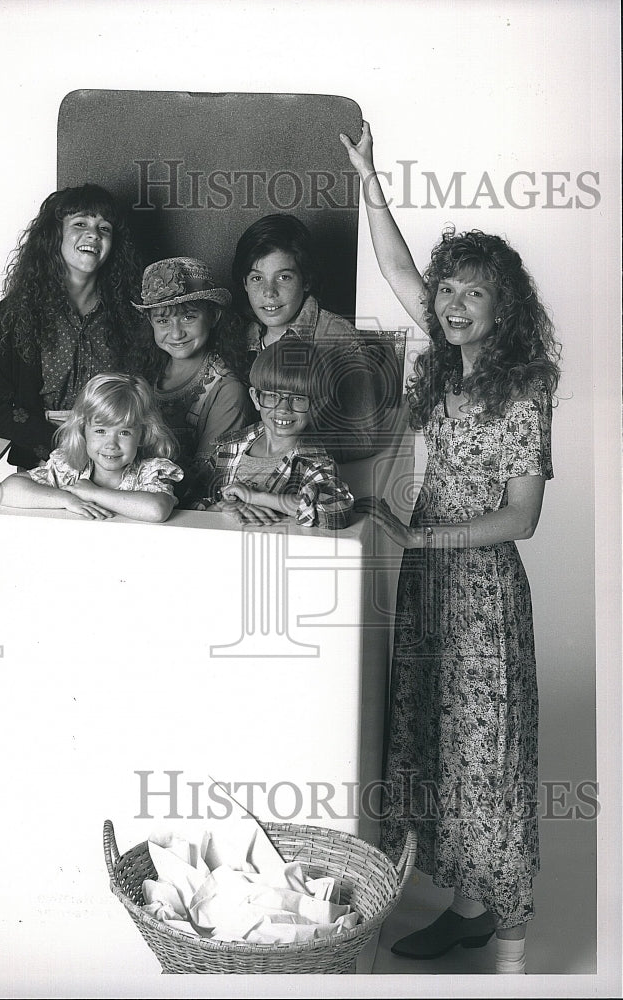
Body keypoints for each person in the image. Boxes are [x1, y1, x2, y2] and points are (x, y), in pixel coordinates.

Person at [341, 122, 561, 974]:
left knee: (490, 762)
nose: (454, 305)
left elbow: (523, 517)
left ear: (504, 306)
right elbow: (399, 269)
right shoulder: (442, 363)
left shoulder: (527, 385)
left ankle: (510, 942)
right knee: (436, 745)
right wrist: (371, 180)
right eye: (449, 294)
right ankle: (468, 909)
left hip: (483, 591)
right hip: (430, 586)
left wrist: (430, 532)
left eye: (473, 294)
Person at [0, 184, 142, 469]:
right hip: (43, 458)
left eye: (105, 228)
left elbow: (142, 396)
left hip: (115, 459)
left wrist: (104, 445)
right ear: (55, 235)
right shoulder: (15, 314)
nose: (93, 234)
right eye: (80, 223)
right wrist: (65, 443)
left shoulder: (131, 314)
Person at [231, 213, 402, 464]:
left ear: (307, 280)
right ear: (244, 283)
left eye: (284, 277)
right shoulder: (239, 338)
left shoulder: (337, 338)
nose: (268, 292)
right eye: (257, 278)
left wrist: (284, 453)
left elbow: (362, 439)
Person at [196, 339, 354, 530]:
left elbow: (336, 512)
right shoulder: (229, 447)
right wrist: (219, 507)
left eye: (297, 398)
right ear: (255, 398)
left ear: (319, 405)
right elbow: (192, 502)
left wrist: (256, 497)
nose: (283, 408)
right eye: (272, 396)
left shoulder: (315, 461)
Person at [132, 256, 254, 493]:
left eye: (188, 317)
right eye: (163, 320)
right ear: (150, 322)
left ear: (214, 317)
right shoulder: (145, 374)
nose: (176, 333)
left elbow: (208, 477)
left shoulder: (226, 389)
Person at [0, 373, 182, 523]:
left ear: (142, 435)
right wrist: (67, 500)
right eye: (100, 431)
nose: (111, 444)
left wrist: (93, 492)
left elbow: (157, 510)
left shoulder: (148, 473)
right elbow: (5, 489)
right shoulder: (69, 470)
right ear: (83, 431)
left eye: (124, 433)